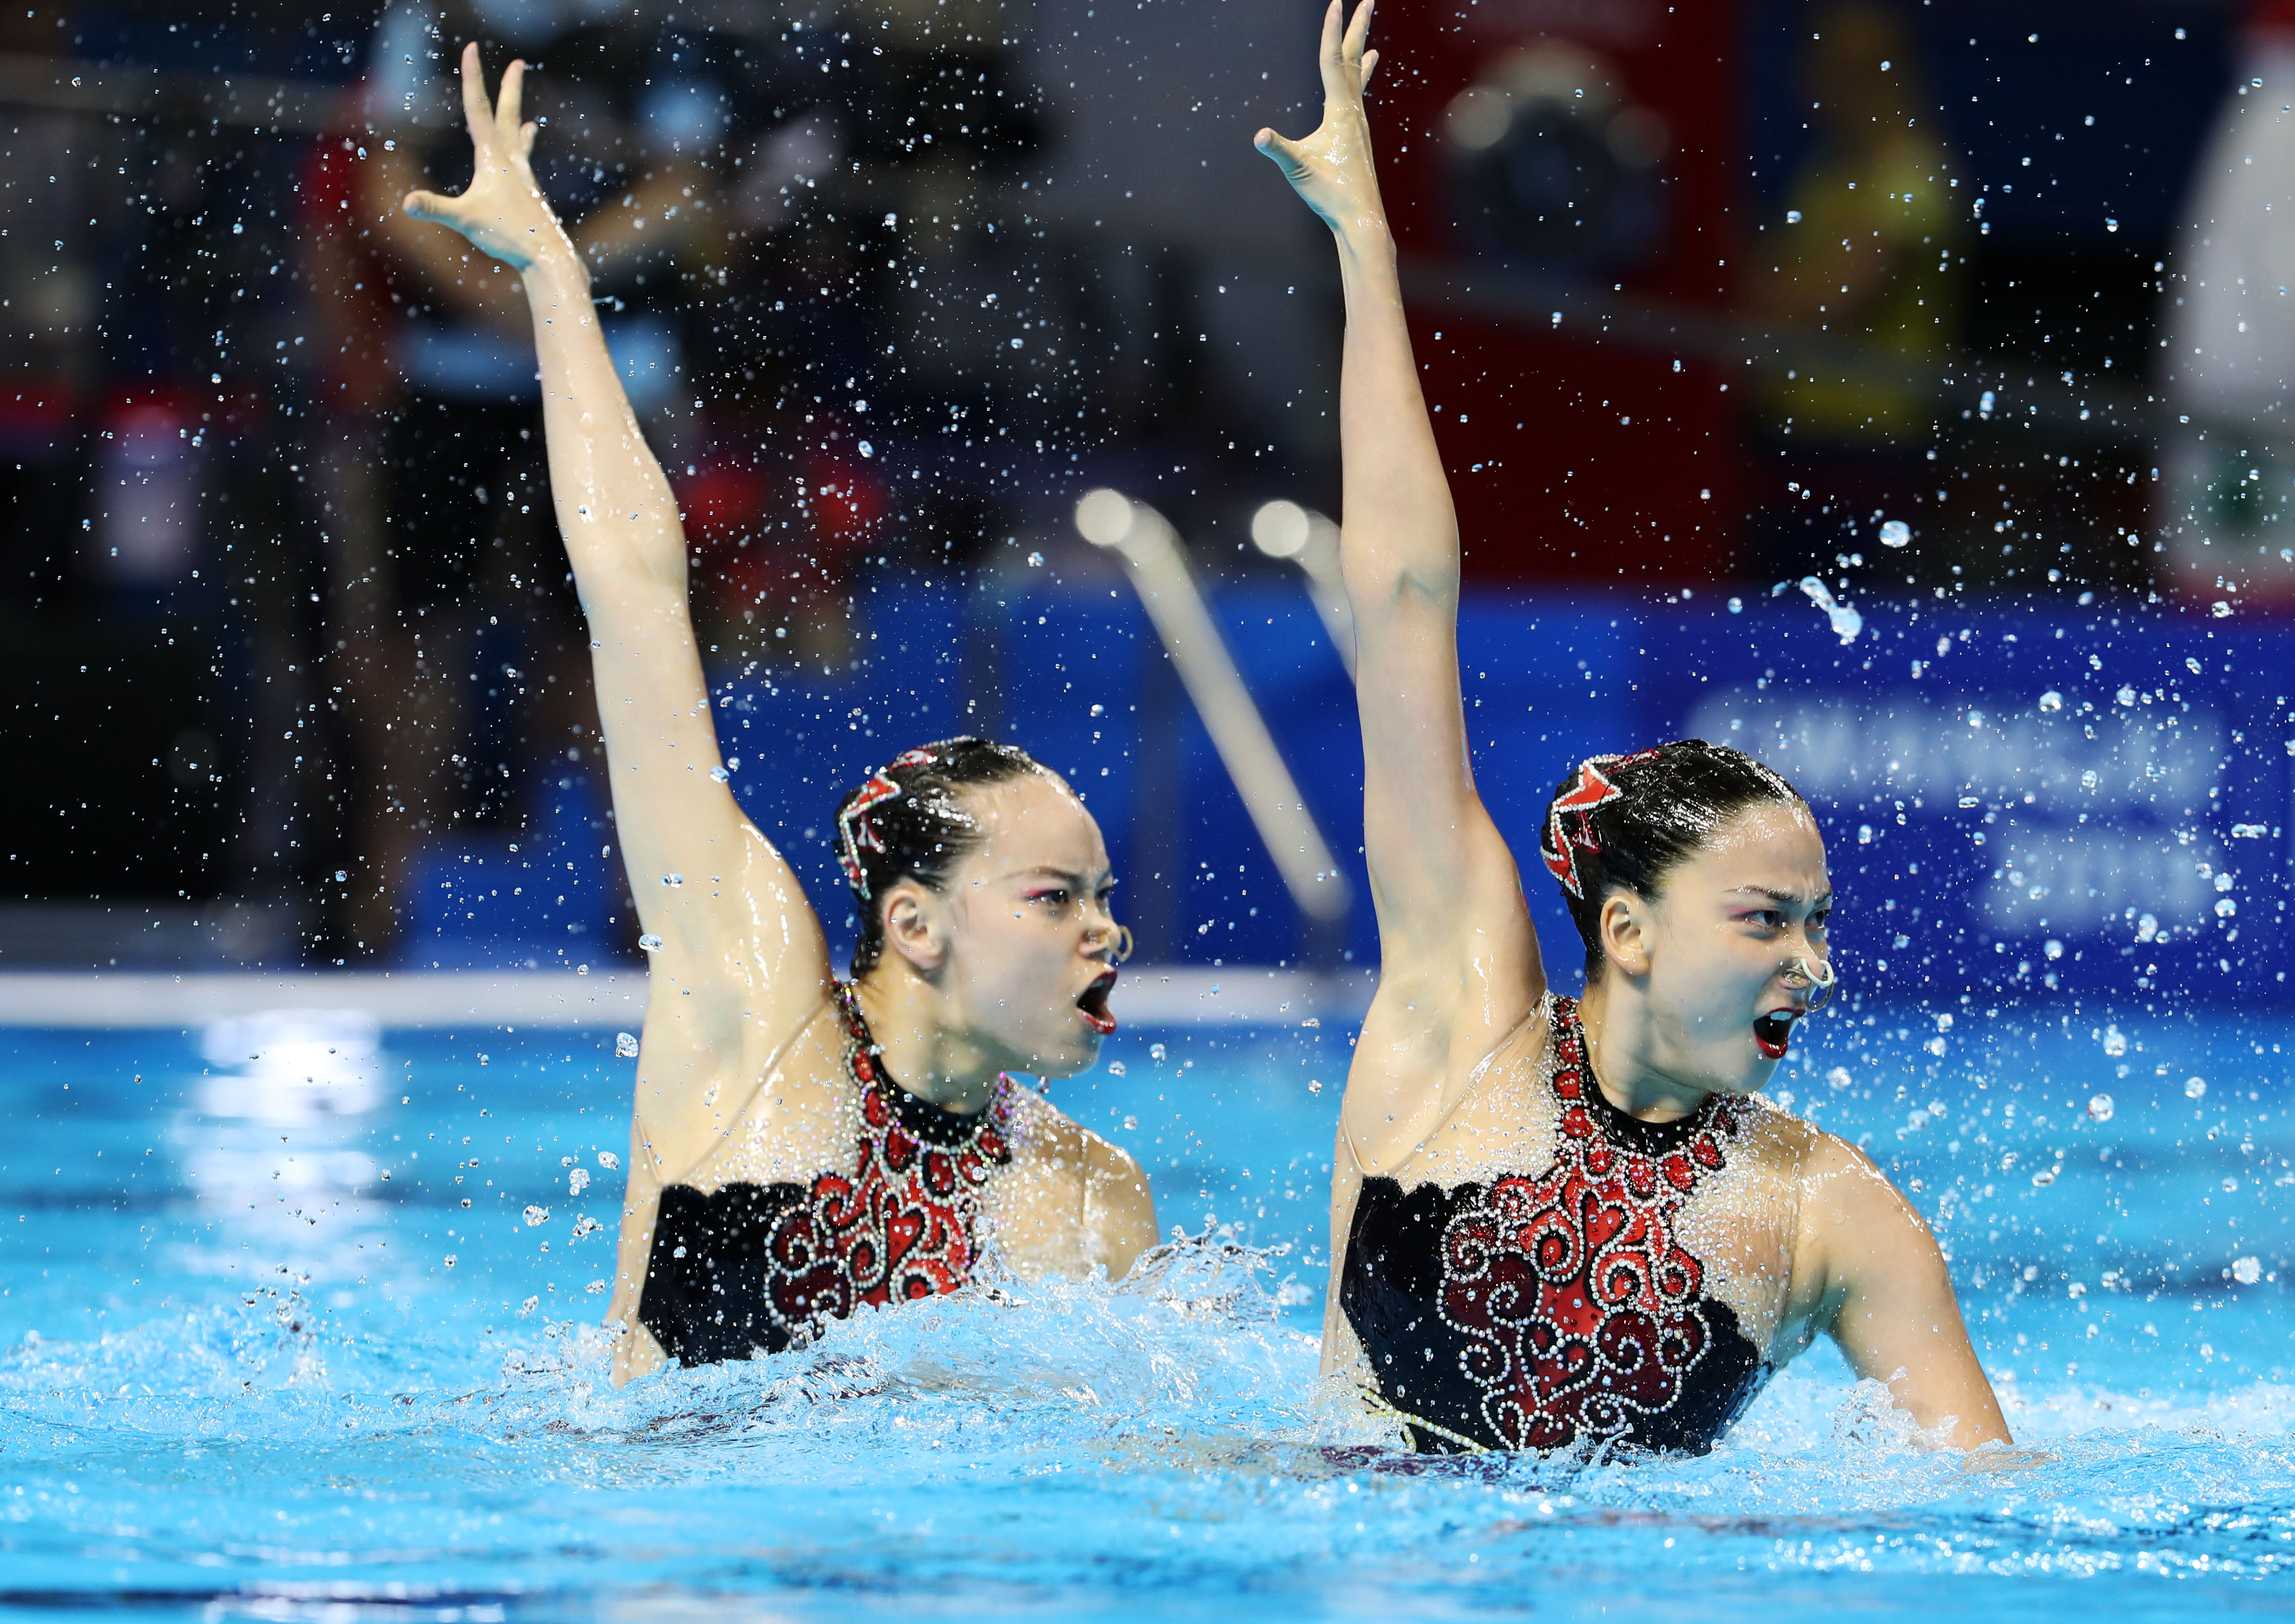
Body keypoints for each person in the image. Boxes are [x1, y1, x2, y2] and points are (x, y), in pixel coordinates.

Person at [1252, 1, 2011, 1456]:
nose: (1816, 963)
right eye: (1771, 919)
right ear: (1631, 930)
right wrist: (1367, 249)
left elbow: (1998, 1515)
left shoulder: (1833, 1215)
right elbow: (1403, 600)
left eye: (1819, 923)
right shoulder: (1453, 1028)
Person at [401, 46, 1158, 1385]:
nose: (1110, 930)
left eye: (1098, 894)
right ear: (914, 925)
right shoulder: (751, 1008)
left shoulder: (1096, 1205)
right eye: (1055, 897)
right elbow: (635, 593)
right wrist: (559, 283)